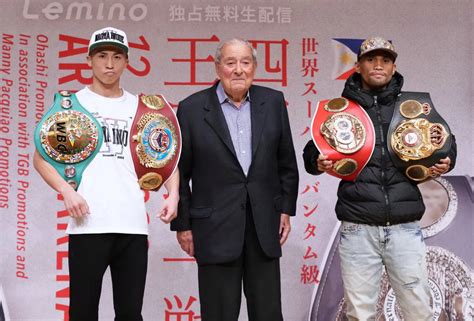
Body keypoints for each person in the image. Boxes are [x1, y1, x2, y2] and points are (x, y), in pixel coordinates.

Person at [303, 36, 457, 320]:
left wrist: (446, 160)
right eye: (371, 59)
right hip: (358, 227)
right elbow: (312, 153)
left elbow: (444, 143)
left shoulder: (411, 107)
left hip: (404, 226)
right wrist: (318, 160)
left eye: (384, 60)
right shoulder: (341, 110)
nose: (378, 65)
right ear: (358, 66)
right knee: (360, 313)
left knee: (418, 311)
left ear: (393, 66)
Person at [33, 27, 179, 321]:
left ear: (127, 61)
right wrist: (66, 191)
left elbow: (168, 154)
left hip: (133, 226)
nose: (109, 64)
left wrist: (173, 194)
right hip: (88, 225)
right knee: (83, 312)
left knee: (130, 313)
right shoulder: (72, 105)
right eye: (102, 56)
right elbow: (40, 158)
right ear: (88, 60)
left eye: (116, 56)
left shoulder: (140, 107)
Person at [171, 38, 299, 321]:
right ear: (218, 68)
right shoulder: (192, 109)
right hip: (213, 230)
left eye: (245, 62)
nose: (238, 70)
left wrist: (285, 209)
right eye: (230, 63)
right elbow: (178, 173)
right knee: (218, 314)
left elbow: (286, 163)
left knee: (267, 314)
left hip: (263, 227)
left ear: (254, 67)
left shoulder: (273, 102)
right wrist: (183, 225)